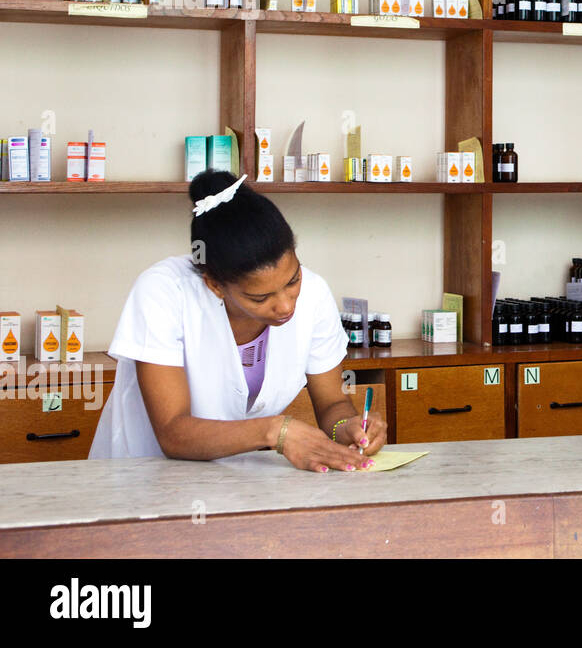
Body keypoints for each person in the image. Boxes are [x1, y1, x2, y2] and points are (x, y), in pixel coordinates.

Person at [89, 170, 387, 471]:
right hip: (143, 477)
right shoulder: (163, 292)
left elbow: (332, 405)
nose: (285, 305)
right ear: (215, 285)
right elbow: (172, 433)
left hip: (241, 481)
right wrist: (274, 431)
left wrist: (347, 427)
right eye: (260, 298)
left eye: (293, 279)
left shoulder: (315, 293)